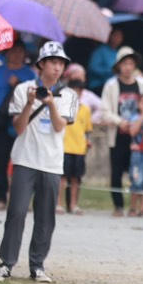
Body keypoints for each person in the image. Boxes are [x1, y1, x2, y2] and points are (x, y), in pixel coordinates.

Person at [0, 42, 77, 282]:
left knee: (45, 216)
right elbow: (19, 128)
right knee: (17, 212)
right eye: (52, 62)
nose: (57, 68)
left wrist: (52, 103)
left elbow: (59, 126)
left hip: (52, 163)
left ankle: (38, 265)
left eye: (61, 63)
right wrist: (31, 103)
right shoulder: (23, 89)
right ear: (41, 64)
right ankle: (6, 263)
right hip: (25, 159)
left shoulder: (69, 95)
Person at [98, 47, 143, 216]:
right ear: (119, 65)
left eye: (131, 63)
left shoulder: (142, 84)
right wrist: (120, 122)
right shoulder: (111, 85)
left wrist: (138, 122)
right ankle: (118, 205)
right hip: (118, 134)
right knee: (117, 171)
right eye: (125, 63)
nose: (128, 67)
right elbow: (105, 110)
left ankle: (139, 206)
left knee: (138, 169)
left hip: (138, 135)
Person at [0, 41, 36, 208]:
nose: (17, 54)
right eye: (13, 50)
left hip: (21, 119)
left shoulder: (30, 74)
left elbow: (34, 96)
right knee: (0, 160)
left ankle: (21, 199)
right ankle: (0, 197)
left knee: (23, 161)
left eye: (20, 51)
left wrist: (17, 84)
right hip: (0, 121)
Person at [60, 66, 91, 215]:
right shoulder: (61, 106)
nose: (77, 93)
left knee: (76, 179)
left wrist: (87, 142)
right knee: (62, 178)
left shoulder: (85, 109)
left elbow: (88, 130)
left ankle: (73, 205)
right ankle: (58, 204)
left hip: (79, 148)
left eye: (79, 91)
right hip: (64, 147)